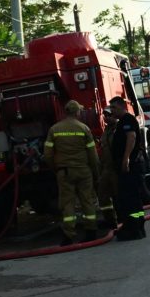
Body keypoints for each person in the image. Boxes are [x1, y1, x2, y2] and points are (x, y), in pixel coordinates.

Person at [42, 100, 100, 245]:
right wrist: (95, 171)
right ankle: (91, 232)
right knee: (87, 201)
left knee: (67, 203)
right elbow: (93, 155)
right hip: (83, 171)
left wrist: (55, 168)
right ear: (77, 112)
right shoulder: (84, 128)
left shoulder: (54, 129)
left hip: (64, 172)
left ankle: (68, 236)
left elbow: (47, 155)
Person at [109, 96, 146, 241]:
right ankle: (133, 226)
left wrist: (126, 159)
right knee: (127, 198)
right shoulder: (121, 122)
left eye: (114, 108)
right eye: (111, 108)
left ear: (122, 107)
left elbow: (131, 138)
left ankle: (135, 228)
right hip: (125, 166)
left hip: (129, 167)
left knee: (131, 198)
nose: (112, 111)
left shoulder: (128, 120)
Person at [96, 107, 118, 230]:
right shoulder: (106, 131)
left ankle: (123, 219)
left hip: (116, 169)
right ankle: (110, 221)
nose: (106, 117)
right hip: (106, 169)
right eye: (105, 115)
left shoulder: (119, 129)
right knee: (103, 195)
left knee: (118, 195)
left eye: (109, 115)